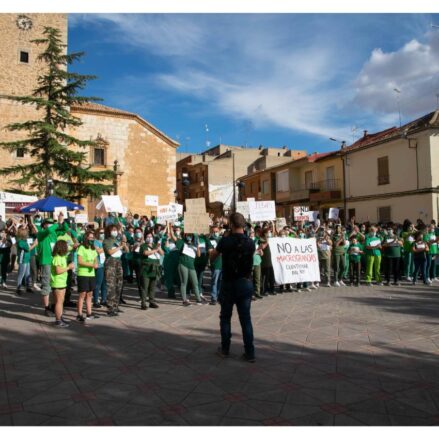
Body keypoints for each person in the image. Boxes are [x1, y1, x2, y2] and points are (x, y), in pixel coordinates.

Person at [210, 212, 256, 363]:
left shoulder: (225, 241)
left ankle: (225, 349)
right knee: (246, 319)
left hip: (229, 283)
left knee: (225, 318)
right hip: (245, 282)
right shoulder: (250, 242)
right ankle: (250, 353)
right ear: (243, 225)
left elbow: (213, 256)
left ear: (230, 224)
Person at [37, 213, 68, 315]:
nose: (50, 225)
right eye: (48, 223)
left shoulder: (54, 233)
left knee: (55, 284)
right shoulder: (41, 233)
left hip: (55, 261)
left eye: (51, 223)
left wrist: (62, 221)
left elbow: (65, 230)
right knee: (46, 285)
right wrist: (57, 222)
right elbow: (49, 230)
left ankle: (55, 305)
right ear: (44, 224)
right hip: (46, 262)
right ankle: (46, 308)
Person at [103, 225, 128, 316]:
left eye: (116, 230)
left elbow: (127, 250)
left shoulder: (118, 240)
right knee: (111, 286)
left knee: (119, 285)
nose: (115, 231)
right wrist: (120, 247)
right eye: (113, 230)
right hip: (110, 264)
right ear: (109, 231)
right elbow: (109, 252)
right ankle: (110, 308)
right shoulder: (107, 241)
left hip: (118, 263)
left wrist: (124, 243)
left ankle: (116, 306)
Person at [176, 233, 206, 306]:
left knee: (195, 283)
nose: (189, 237)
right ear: (185, 236)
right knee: (184, 282)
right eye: (188, 235)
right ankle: (184, 300)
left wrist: (198, 245)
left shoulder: (194, 245)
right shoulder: (182, 242)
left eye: (191, 236)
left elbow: (198, 255)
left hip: (191, 266)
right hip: (183, 264)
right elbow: (176, 240)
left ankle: (198, 300)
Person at [50, 240, 74, 328]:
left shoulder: (62, 257)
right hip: (57, 282)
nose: (67, 248)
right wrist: (69, 267)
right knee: (59, 302)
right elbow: (58, 271)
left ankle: (60, 317)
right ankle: (58, 320)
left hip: (62, 282)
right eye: (66, 247)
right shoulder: (57, 258)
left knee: (61, 301)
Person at [76, 231, 99, 322]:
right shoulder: (81, 247)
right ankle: (79, 314)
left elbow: (95, 259)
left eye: (93, 238)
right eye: (90, 237)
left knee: (90, 294)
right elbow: (80, 261)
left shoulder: (93, 248)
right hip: (83, 274)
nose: (91, 239)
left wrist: (96, 264)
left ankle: (89, 313)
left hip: (91, 274)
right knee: (82, 294)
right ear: (86, 238)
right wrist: (91, 265)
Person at [139, 231, 164, 309]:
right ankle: (143, 303)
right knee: (145, 287)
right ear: (145, 238)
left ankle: (151, 301)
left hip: (154, 269)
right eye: (148, 237)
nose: (149, 238)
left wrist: (158, 248)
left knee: (152, 287)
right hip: (146, 269)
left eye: (151, 237)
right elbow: (146, 253)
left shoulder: (154, 245)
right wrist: (155, 250)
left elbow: (162, 253)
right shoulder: (143, 245)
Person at [16, 227, 38, 295]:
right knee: (21, 274)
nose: (27, 233)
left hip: (27, 259)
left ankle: (28, 287)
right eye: (26, 233)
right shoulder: (20, 242)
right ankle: (18, 288)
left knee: (27, 274)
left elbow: (30, 245)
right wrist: (34, 244)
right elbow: (28, 249)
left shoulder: (25, 240)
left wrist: (34, 242)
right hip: (23, 260)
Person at [93, 228, 107, 308]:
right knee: (98, 283)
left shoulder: (104, 242)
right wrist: (105, 248)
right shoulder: (95, 242)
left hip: (105, 264)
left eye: (104, 232)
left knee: (104, 284)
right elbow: (98, 251)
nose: (103, 234)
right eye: (101, 232)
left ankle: (104, 299)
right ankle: (95, 301)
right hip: (99, 265)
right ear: (97, 233)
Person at [208, 224, 222, 305]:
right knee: (214, 281)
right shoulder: (210, 240)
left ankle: (219, 297)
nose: (215, 233)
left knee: (221, 281)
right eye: (214, 231)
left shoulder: (222, 239)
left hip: (222, 263)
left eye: (216, 231)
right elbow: (210, 252)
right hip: (215, 263)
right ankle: (213, 298)